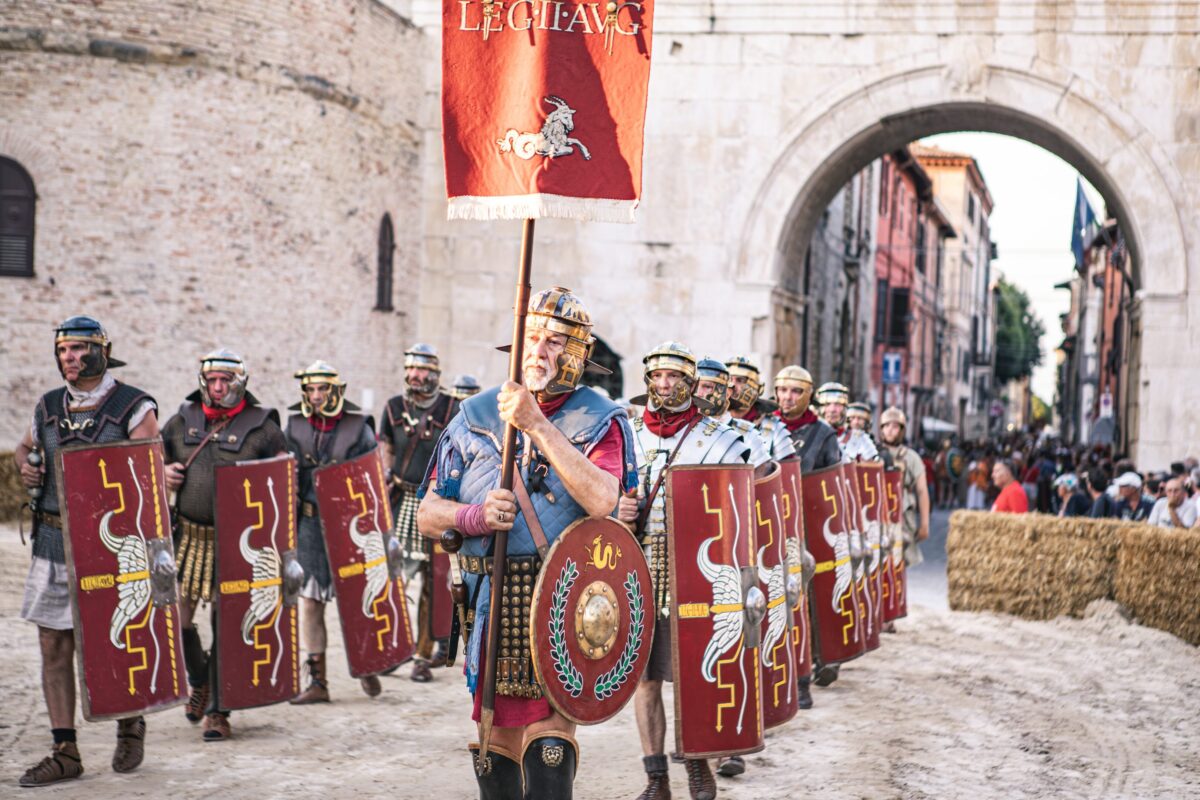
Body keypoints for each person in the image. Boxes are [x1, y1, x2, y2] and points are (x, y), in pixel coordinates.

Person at [417, 287, 635, 800]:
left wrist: (536, 423)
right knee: (495, 753)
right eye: (531, 337)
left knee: (549, 755)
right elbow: (428, 514)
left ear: (578, 353)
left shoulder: (600, 420)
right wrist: (472, 515)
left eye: (555, 341)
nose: (539, 349)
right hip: (490, 605)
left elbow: (603, 498)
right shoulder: (472, 418)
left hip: (564, 604)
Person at [13, 316, 158, 785]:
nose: (69, 359)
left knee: (116, 637)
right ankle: (65, 750)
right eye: (62, 352)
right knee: (53, 642)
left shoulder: (134, 406)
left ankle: (129, 720)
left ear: (101, 350)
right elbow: (23, 449)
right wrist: (26, 469)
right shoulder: (49, 406)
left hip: (113, 547)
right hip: (55, 538)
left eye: (77, 350)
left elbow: (149, 477)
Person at [614, 343, 750, 799]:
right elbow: (604, 497)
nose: (665, 385)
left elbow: (738, 511)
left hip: (697, 576)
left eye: (674, 378)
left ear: (690, 384)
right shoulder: (627, 435)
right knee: (645, 680)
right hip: (639, 575)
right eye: (658, 377)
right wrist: (619, 508)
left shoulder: (718, 439)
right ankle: (656, 777)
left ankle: (697, 766)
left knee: (694, 677)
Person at [162, 349, 288, 741]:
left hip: (236, 543)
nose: (218, 388)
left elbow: (282, 478)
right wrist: (164, 472)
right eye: (212, 381)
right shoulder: (182, 420)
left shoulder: (263, 426)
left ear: (241, 382)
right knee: (176, 620)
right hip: (188, 535)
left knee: (225, 623)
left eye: (225, 381)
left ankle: (218, 708)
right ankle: (199, 680)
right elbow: (152, 461)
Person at [285, 362, 383, 704]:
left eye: (322, 389)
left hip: (349, 524)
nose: (316, 396)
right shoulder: (294, 425)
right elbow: (285, 475)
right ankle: (318, 681)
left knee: (357, 597)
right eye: (310, 390)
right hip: (310, 523)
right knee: (310, 601)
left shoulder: (358, 428)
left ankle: (367, 663)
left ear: (336, 390)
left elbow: (371, 479)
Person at [379, 343, 459, 683]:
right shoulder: (394, 407)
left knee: (431, 580)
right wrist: (383, 478)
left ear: (434, 374)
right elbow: (386, 444)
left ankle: (423, 656)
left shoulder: (452, 408)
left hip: (433, 502)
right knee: (394, 577)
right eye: (411, 369)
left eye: (422, 370)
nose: (415, 375)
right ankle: (392, 649)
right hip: (400, 499)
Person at [877, 408, 930, 567]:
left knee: (900, 563)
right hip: (878, 513)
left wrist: (925, 524)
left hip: (903, 513)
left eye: (894, 426)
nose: (890, 430)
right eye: (886, 426)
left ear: (901, 430)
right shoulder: (872, 452)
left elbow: (922, 491)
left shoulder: (912, 457)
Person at [724, 355, 795, 461]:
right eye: (728, 379)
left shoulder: (775, 428)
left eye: (740, 380)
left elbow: (788, 474)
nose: (732, 385)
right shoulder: (711, 422)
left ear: (757, 388)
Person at [772, 367, 842, 472]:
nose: (788, 397)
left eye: (796, 391)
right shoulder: (764, 426)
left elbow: (833, 481)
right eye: (783, 390)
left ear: (808, 395)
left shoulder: (825, 434)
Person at [816, 383, 878, 462]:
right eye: (827, 404)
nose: (832, 410)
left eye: (837, 404)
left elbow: (873, 469)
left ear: (845, 408)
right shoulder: (809, 434)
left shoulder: (860, 439)